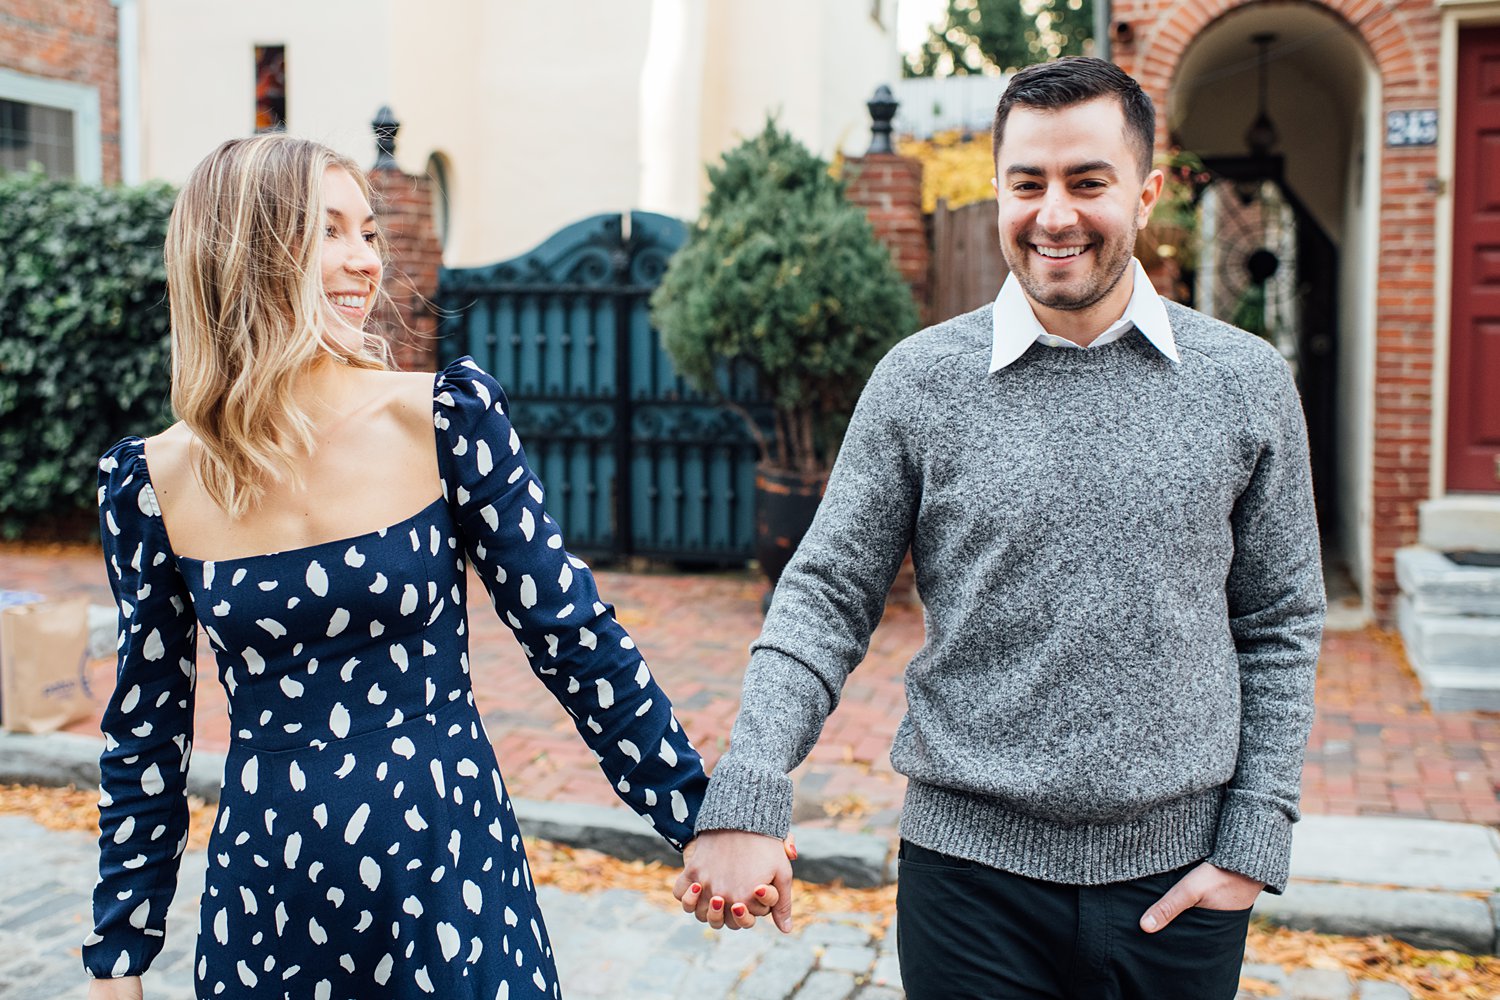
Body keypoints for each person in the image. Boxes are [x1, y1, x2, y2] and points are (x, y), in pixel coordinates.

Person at [674, 57, 1327, 998]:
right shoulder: (920, 380)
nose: (1054, 214)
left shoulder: (1245, 382)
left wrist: (1253, 840)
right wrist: (751, 783)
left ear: (1144, 194)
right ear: (997, 192)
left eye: (1087, 181)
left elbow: (1278, 620)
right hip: (967, 885)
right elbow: (825, 598)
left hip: (1177, 890)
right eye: (1028, 183)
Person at [82, 133, 760, 1000]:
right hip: (270, 908)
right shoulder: (151, 484)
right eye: (327, 231)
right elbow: (145, 731)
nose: (364, 260)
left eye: (369, 232)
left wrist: (697, 816)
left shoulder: (442, 421)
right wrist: (118, 960)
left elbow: (572, 636)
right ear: (242, 253)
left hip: (446, 877)